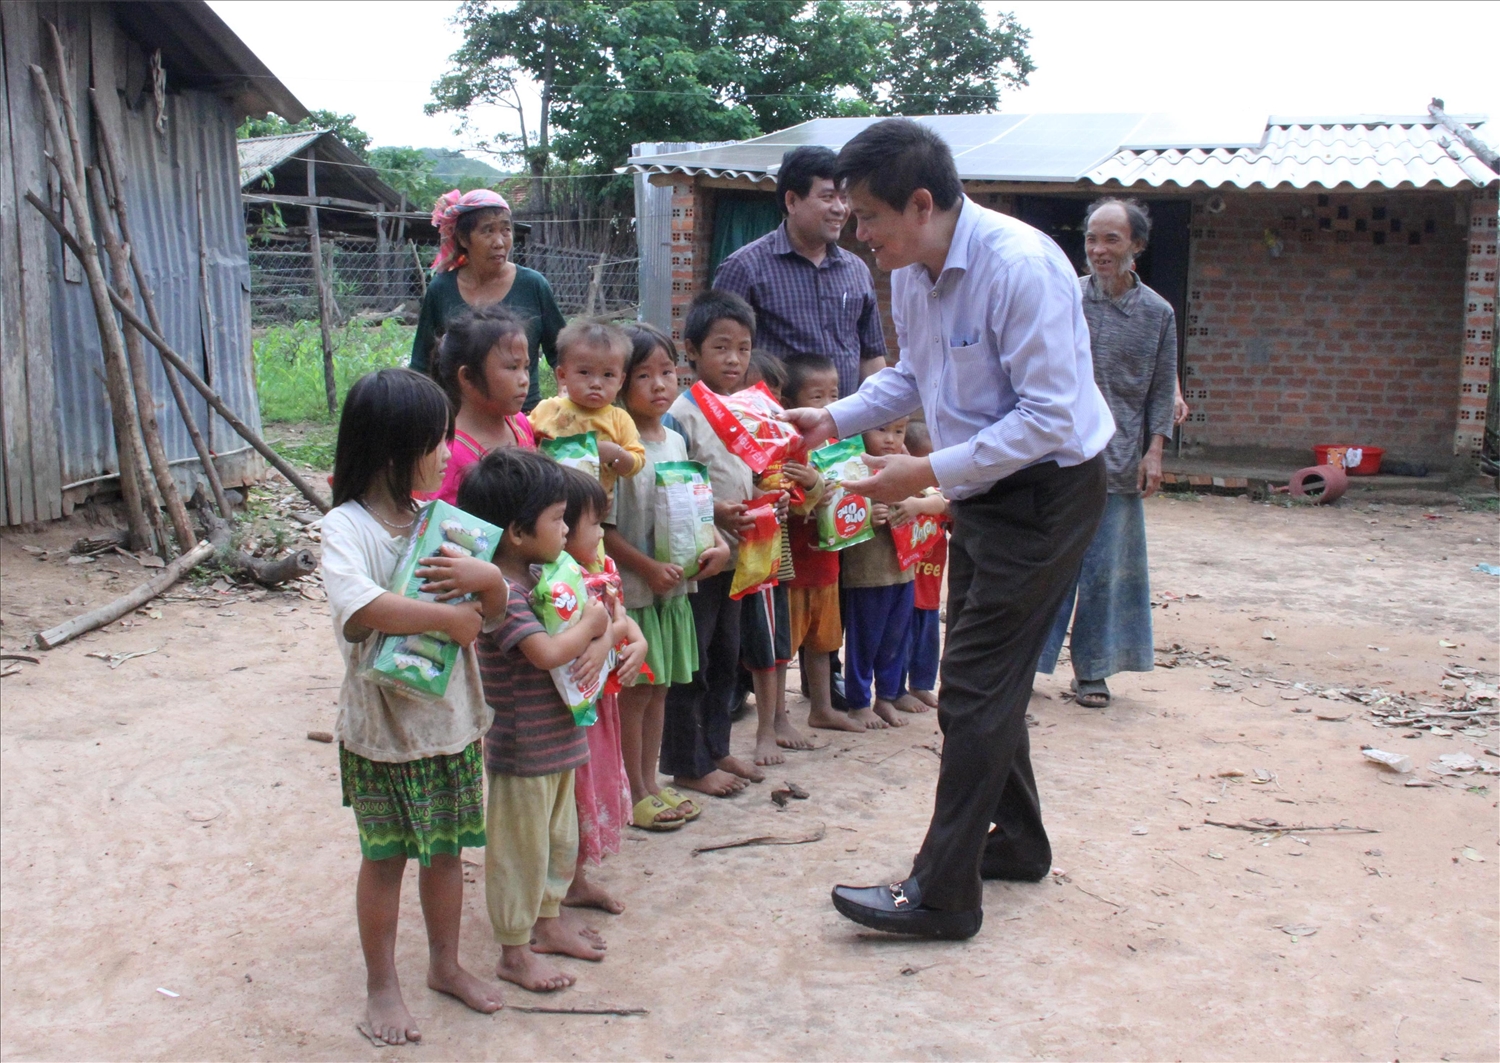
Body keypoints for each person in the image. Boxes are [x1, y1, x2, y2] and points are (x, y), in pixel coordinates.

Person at [782, 119, 1114, 940]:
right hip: (988, 488)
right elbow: (911, 377)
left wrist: (924, 473)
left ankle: (942, 893)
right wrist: (829, 419)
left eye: (868, 216)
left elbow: (1048, 418)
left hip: (1046, 491)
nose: (858, 233)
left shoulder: (1021, 268)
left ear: (922, 203)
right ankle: (1020, 842)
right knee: (981, 680)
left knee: (969, 685)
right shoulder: (910, 271)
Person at [320, 368, 506, 1044]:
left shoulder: (442, 524)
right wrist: (446, 618)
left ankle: (446, 965)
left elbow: (495, 605)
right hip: (384, 732)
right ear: (396, 449)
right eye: (437, 440)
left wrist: (486, 583)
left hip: (449, 724)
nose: (446, 451)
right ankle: (381, 983)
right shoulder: (346, 528)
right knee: (387, 856)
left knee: (447, 852)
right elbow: (362, 609)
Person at [456, 449, 614, 990]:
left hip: (559, 736)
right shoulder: (502, 593)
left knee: (557, 840)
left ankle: (547, 923)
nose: (568, 529)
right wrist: (594, 622)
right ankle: (514, 950)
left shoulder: (541, 575)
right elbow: (545, 653)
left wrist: (601, 627)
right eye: (557, 519)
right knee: (520, 852)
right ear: (519, 532)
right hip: (523, 748)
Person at [1036, 198, 1179, 709]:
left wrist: (1154, 452)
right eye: (1092, 238)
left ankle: (1093, 672)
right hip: (1056, 457)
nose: (1098, 250)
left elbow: (1163, 389)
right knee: (1046, 563)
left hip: (1118, 463)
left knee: (1105, 572)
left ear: (1136, 246)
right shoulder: (1063, 298)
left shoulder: (1158, 313)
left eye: (1111, 239)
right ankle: (1027, 661)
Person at [607, 323, 729, 828]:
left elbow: (698, 510)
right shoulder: (615, 450)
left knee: (660, 691)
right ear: (619, 384)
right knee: (634, 694)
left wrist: (718, 545)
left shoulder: (675, 443)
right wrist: (647, 568)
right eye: (643, 375)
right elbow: (603, 530)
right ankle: (631, 791)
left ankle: (651, 783)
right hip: (636, 594)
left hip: (673, 592)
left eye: (667, 372)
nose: (659, 385)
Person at [661, 290, 764, 797]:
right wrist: (717, 511)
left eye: (743, 348)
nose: (734, 359)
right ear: (693, 350)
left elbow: (749, 471)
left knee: (728, 657)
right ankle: (688, 763)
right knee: (693, 663)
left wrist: (767, 497)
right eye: (721, 347)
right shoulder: (681, 414)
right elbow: (673, 487)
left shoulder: (743, 407)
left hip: (739, 557)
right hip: (699, 558)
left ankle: (718, 747)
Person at [714, 145, 888, 398]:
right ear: (792, 201)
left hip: (844, 430)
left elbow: (871, 357)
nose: (840, 208)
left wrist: (879, 415)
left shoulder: (857, 270)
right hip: (775, 429)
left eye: (843, 197)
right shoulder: (745, 268)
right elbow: (720, 358)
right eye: (828, 197)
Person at [558, 467, 648, 918]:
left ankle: (575, 880)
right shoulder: (557, 579)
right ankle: (559, 884)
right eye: (594, 525)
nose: (601, 534)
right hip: (574, 706)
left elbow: (620, 618)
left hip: (602, 700)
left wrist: (638, 641)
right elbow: (593, 630)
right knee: (574, 789)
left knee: (593, 782)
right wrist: (615, 636)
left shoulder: (601, 568)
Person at [411, 189, 565, 412]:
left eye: (506, 230)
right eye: (488, 231)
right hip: (461, 420)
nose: (499, 242)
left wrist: (565, 403)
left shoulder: (533, 285)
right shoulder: (441, 289)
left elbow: (562, 354)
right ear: (464, 238)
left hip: (523, 417)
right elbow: (421, 363)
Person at [781, 353, 863, 734]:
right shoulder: (789, 449)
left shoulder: (839, 445)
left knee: (823, 641)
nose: (828, 405)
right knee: (785, 646)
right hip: (794, 565)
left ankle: (822, 707)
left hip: (827, 563)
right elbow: (790, 506)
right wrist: (815, 485)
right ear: (790, 403)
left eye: (834, 394)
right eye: (817, 397)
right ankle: (777, 714)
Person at [839, 417, 916, 730]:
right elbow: (836, 516)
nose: (890, 439)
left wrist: (912, 503)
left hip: (903, 569)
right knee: (864, 641)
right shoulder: (850, 468)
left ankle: (887, 696)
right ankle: (858, 702)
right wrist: (867, 516)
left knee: (895, 638)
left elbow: (926, 497)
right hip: (866, 572)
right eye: (881, 429)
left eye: (899, 431)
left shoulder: (906, 466)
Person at [528, 320, 646, 506]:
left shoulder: (619, 419)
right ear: (562, 375)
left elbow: (637, 462)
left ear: (621, 381)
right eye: (585, 372)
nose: (596, 383)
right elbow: (523, 444)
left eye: (608, 375)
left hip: (593, 511)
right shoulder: (548, 410)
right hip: (546, 506)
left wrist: (616, 453)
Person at [426, 305, 535, 505]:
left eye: (525, 367)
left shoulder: (520, 424)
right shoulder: (449, 452)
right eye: (512, 367)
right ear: (467, 377)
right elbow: (442, 526)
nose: (524, 380)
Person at [889, 420, 948, 713]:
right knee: (901, 641)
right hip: (905, 584)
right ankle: (897, 690)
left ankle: (921, 685)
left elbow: (952, 514)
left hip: (931, 585)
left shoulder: (937, 494)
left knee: (927, 640)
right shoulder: (899, 491)